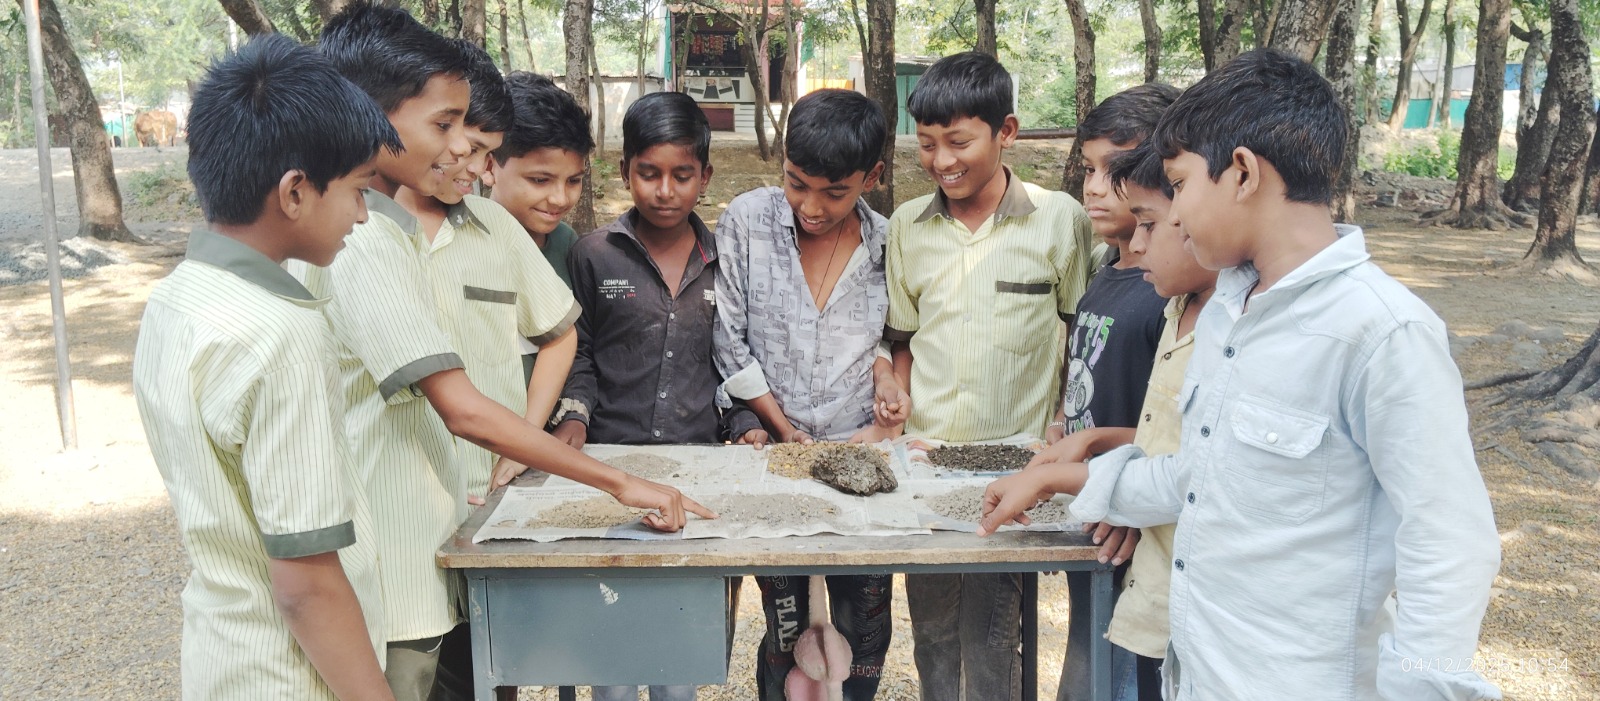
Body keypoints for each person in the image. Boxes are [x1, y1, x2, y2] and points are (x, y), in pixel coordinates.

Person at [979, 49, 1503, 701]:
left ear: (1243, 173)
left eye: (1181, 183)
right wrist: (1074, 481)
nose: (1173, 216)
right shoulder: (1227, 311)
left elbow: (1448, 539)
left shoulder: (1381, 330)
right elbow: (1195, 478)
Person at [295, 6, 711, 698]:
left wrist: (526, 439)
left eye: (473, 134)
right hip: (398, 552)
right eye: (445, 127)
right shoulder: (361, 239)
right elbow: (458, 406)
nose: (464, 153)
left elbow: (557, 333)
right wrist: (613, 480)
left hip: (479, 525)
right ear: (371, 114)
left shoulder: (457, 227)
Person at [131, 33, 397, 701]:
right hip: (293, 676)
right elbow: (306, 584)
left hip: (222, 656)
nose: (364, 214)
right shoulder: (284, 329)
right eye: (361, 189)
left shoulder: (176, 296)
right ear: (296, 191)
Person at [519, 90, 760, 701]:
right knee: (612, 660)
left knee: (681, 665)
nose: (665, 190)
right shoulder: (593, 255)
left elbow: (733, 359)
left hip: (697, 473)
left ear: (705, 176)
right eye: (648, 173)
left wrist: (743, 425)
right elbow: (579, 355)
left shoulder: (726, 259)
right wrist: (572, 422)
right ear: (625, 169)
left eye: (682, 175)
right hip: (608, 472)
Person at [882, 51, 1098, 701]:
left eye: (958, 141)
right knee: (932, 633)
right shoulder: (905, 229)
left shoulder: (1062, 221)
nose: (942, 160)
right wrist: (895, 398)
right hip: (929, 461)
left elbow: (1083, 340)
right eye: (926, 144)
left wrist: (1060, 426)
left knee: (994, 633)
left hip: (1015, 467)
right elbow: (902, 343)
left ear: (1007, 132)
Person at [711, 88, 907, 701]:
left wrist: (885, 380)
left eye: (834, 192)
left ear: (871, 177)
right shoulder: (747, 220)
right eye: (797, 184)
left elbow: (895, 334)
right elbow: (729, 340)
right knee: (785, 626)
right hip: (774, 458)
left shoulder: (886, 242)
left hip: (861, 457)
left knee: (863, 625)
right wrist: (781, 427)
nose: (811, 206)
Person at [1026, 141, 1214, 701]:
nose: (1137, 240)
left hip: (1153, 550)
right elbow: (1165, 441)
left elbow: (1192, 470)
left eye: (1151, 222)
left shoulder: (1210, 313)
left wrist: (1062, 479)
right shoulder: (1169, 296)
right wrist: (1089, 436)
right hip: (1128, 536)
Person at [1041, 84, 1178, 701]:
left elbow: (1173, 432)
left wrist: (1123, 489)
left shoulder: (1171, 287)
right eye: (1089, 168)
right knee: (1085, 670)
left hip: (1137, 528)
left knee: (1121, 680)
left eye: (1115, 171)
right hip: (1096, 515)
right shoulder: (1108, 268)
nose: (1094, 187)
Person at [482, 71, 593, 383]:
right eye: (539, 180)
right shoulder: (462, 244)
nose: (559, 198)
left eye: (574, 180)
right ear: (489, 166)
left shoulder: (568, 246)